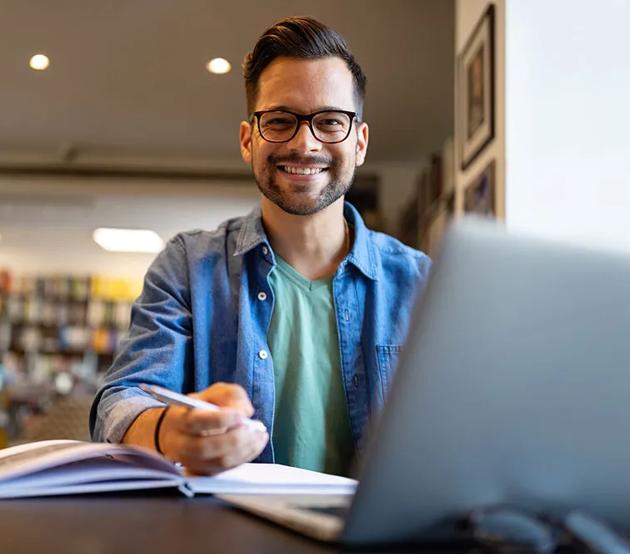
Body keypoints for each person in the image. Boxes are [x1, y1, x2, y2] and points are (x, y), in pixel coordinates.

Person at [90, 16, 431, 477]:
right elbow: (123, 398)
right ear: (249, 140)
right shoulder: (188, 268)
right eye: (280, 120)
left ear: (360, 142)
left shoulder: (424, 284)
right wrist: (168, 430)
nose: (304, 142)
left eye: (330, 121)